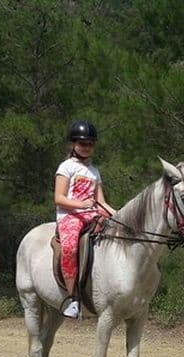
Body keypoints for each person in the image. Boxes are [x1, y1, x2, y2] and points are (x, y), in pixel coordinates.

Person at [54, 120, 116, 319]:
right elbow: (59, 198)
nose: (86, 147)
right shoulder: (66, 167)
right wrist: (81, 205)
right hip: (70, 215)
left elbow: (101, 202)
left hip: (92, 213)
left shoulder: (94, 171)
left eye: (90, 144)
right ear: (73, 144)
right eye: (82, 143)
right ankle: (73, 298)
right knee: (70, 247)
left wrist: (117, 214)